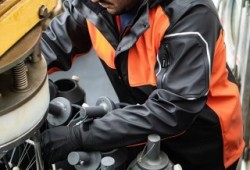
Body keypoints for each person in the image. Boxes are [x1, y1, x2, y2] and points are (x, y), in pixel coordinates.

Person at [40, 0, 245, 169]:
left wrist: (79, 136)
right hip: (141, 124)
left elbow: (173, 111)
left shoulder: (188, 13)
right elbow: (53, 44)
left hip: (202, 144)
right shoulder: (97, 4)